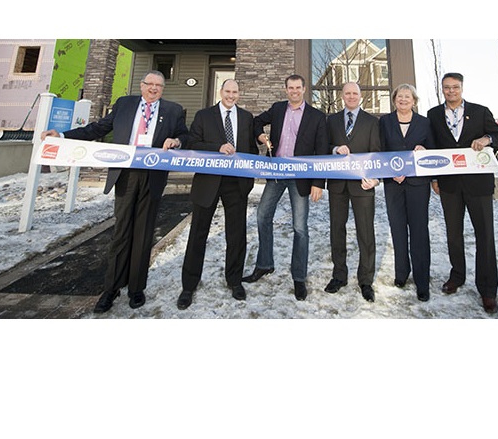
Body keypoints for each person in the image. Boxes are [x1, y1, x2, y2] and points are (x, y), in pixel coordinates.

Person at [40, 70, 187, 314]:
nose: (153, 89)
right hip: (125, 175)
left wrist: (176, 141)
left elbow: (185, 135)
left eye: (158, 86)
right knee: (121, 232)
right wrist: (63, 136)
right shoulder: (125, 104)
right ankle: (111, 288)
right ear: (141, 86)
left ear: (163, 89)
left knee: (144, 233)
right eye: (149, 84)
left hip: (153, 176)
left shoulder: (173, 110)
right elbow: (98, 128)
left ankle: (137, 288)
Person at [426, 72, 498, 314]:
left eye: (455, 87)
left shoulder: (481, 111)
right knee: (453, 234)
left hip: (478, 185)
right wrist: (433, 177)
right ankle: (457, 276)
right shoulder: (433, 115)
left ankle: (487, 290)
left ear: (462, 88)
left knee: (485, 236)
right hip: (449, 185)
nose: (451, 91)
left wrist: (487, 138)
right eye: (447, 88)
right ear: (442, 89)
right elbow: (431, 147)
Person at [243, 74, 329, 301]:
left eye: (298, 88)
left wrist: (318, 182)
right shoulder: (278, 109)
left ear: (304, 89)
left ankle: (299, 277)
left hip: (300, 177)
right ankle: (265, 264)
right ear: (286, 90)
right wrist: (261, 135)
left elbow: (321, 150)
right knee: (262, 216)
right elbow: (256, 121)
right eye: (290, 88)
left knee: (300, 227)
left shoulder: (317, 116)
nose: (294, 91)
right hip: (276, 174)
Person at [176, 79, 258, 310]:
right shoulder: (204, 115)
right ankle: (188, 286)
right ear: (220, 92)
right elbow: (193, 143)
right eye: (228, 91)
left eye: (235, 92)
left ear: (239, 94)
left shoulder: (246, 118)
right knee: (198, 234)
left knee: (236, 235)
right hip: (208, 182)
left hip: (236, 184)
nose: (231, 95)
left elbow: (251, 150)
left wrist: (248, 181)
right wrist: (217, 147)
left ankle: (234, 281)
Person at [323, 82, 382, 302]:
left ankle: (365, 280)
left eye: (354, 93)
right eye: (347, 93)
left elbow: (376, 153)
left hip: (363, 184)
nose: (351, 96)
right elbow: (325, 145)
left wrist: (375, 179)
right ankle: (339, 275)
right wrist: (335, 149)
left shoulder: (371, 122)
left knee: (365, 232)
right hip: (338, 184)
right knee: (337, 230)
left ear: (360, 96)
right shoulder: (332, 120)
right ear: (342, 96)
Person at [378, 84, 435, 302]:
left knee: (419, 231)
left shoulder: (424, 123)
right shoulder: (385, 122)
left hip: (418, 185)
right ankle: (402, 273)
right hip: (394, 185)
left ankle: (422, 282)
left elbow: (433, 149)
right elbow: (381, 150)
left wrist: (425, 150)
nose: (403, 100)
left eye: (407, 97)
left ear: (414, 101)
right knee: (398, 229)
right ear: (394, 100)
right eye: (399, 96)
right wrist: (392, 172)